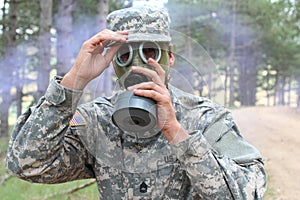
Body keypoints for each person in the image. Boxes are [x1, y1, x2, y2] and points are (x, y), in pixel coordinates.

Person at [6, 6, 266, 199]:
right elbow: (28, 164)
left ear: (170, 57)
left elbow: (245, 193)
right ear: (112, 63)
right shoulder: (98, 120)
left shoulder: (207, 119)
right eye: (124, 54)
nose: (137, 64)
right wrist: (75, 79)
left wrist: (177, 133)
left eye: (150, 52)